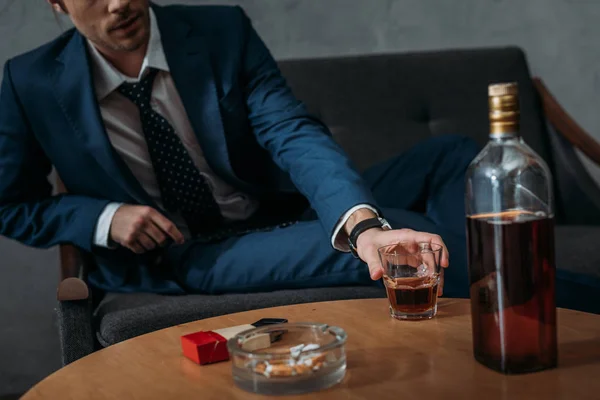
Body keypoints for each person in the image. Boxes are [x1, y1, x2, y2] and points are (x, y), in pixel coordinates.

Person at [0, 0, 478, 297]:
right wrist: (104, 218)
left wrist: (360, 221)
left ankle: (488, 276)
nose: (120, 4)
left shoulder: (220, 31)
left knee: (452, 156)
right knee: (401, 242)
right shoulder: (31, 82)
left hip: (275, 206)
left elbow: (290, 130)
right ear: (57, 2)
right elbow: (11, 205)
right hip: (191, 250)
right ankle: (531, 303)